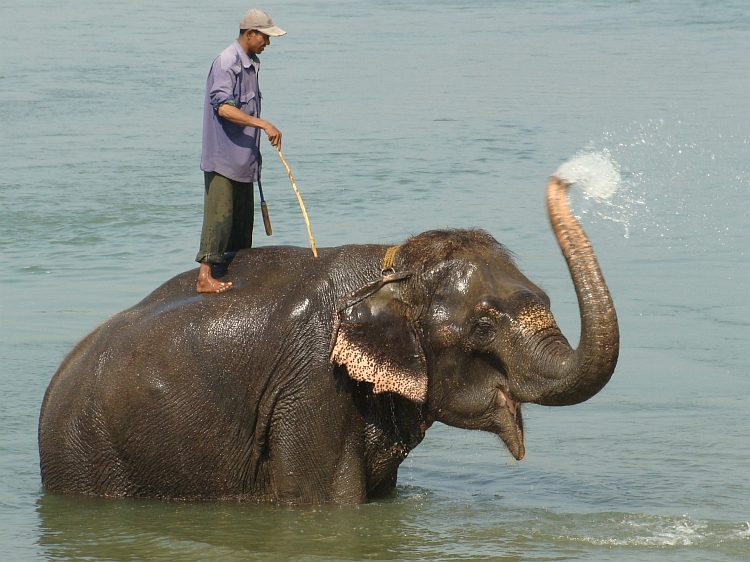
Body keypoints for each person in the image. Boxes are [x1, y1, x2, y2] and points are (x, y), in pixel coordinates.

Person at [195, 9, 285, 293]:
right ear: (250, 34)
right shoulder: (227, 62)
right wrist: (263, 124)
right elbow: (223, 107)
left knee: (242, 225)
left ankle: (230, 273)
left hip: (245, 161)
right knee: (219, 219)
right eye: (265, 37)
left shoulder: (253, 64)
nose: (267, 43)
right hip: (224, 159)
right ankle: (204, 276)